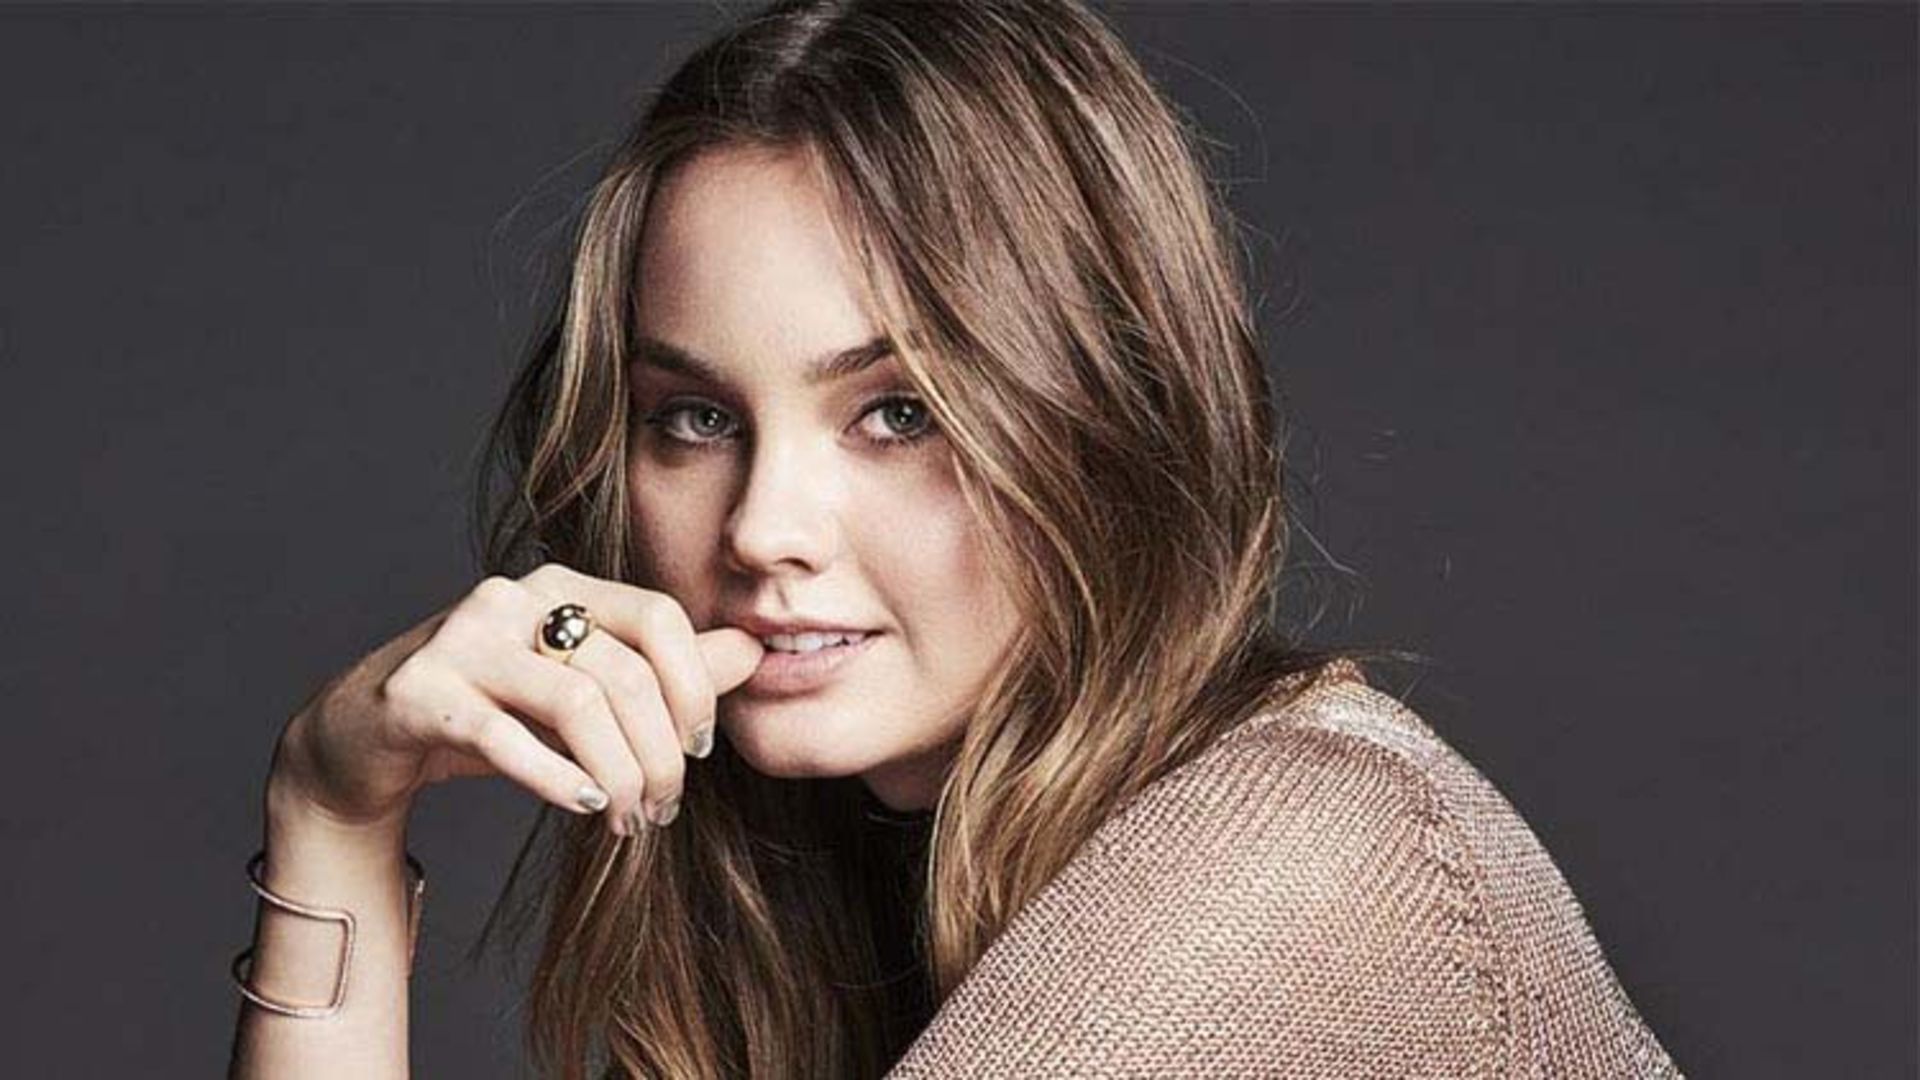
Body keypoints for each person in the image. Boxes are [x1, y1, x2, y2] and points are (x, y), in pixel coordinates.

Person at [226, 1, 1685, 1077]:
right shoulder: (834, 889)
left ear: (1108, 418)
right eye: (696, 418)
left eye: (898, 413)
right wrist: (333, 812)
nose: (763, 528)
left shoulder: (1296, 859)